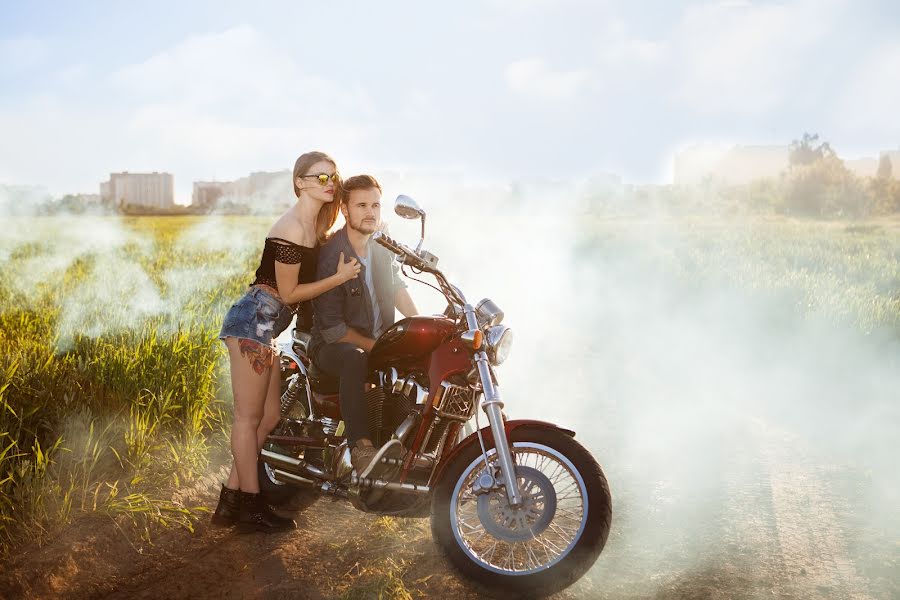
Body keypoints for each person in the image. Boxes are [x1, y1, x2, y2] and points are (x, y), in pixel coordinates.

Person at [213, 151, 362, 533]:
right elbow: (291, 292)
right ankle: (251, 506)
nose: (328, 184)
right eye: (319, 178)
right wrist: (340, 278)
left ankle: (229, 503)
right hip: (251, 324)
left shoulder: (314, 227)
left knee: (272, 417)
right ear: (299, 182)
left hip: (266, 330)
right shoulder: (293, 228)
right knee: (247, 419)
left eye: (332, 177)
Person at [310, 174, 418, 473]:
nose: (370, 212)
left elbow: (396, 288)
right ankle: (362, 448)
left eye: (375, 205)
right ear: (345, 209)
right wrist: (380, 348)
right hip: (331, 347)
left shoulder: (381, 248)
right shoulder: (333, 255)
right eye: (361, 205)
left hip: (375, 341)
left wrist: (420, 324)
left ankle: (411, 448)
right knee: (355, 360)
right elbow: (334, 330)